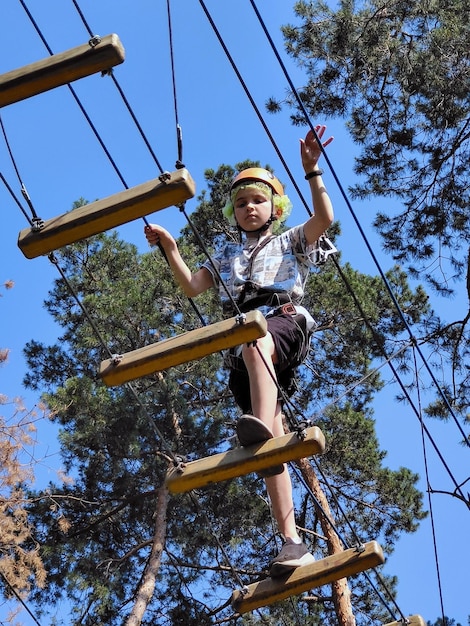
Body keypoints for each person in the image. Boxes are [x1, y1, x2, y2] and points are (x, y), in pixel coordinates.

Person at [145, 126, 335, 577]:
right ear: (234, 212)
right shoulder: (227, 257)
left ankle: (259, 426)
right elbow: (193, 285)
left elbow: (323, 218)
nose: (251, 208)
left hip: (281, 320)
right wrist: (172, 248)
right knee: (271, 449)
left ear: (275, 208)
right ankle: (292, 543)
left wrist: (313, 172)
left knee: (256, 338)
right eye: (243, 203)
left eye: (259, 201)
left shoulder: (290, 240)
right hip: (245, 353)